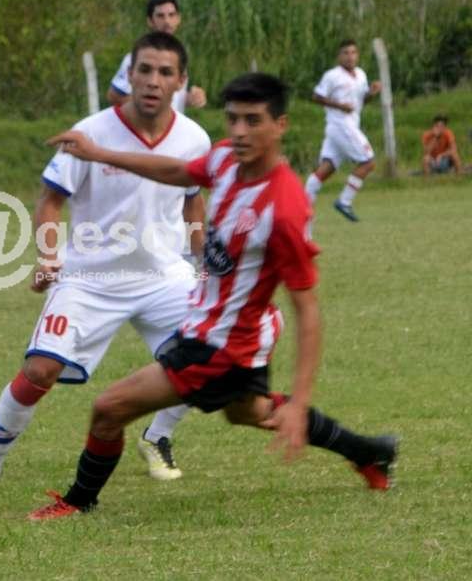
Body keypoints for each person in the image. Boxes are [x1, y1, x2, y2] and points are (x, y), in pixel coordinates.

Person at [28, 72, 398, 521]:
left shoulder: (284, 208)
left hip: (220, 346)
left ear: (280, 125)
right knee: (250, 412)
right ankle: (370, 451)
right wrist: (98, 153)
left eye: (253, 121)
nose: (239, 132)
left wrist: (300, 401)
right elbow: (178, 171)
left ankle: (77, 502)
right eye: (233, 119)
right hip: (216, 331)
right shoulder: (224, 159)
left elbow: (308, 309)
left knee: (109, 409)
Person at [0, 31, 212, 488]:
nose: (153, 80)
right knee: (40, 371)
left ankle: (157, 436)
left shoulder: (195, 139)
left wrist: (203, 262)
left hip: (164, 277)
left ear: (181, 81)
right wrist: (48, 257)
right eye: (144, 70)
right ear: (129, 74)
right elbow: (50, 199)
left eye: (165, 72)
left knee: (211, 360)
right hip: (90, 278)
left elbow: (193, 200)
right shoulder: (91, 132)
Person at [304, 39, 382, 222]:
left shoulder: (361, 74)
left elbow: (361, 101)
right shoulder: (332, 75)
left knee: (326, 168)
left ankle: (302, 205)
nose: (350, 57)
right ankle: (344, 201)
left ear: (358, 55)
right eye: (345, 53)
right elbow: (316, 96)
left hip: (348, 125)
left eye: (353, 52)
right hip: (340, 125)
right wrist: (339, 106)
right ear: (339, 56)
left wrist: (372, 93)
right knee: (368, 162)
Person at [107, 0, 207, 113]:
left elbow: (173, 99)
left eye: (171, 15)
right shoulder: (137, 58)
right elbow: (114, 96)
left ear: (178, 19)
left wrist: (190, 98)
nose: (167, 21)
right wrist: (151, 112)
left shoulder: (178, 57)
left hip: (172, 124)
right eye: (160, 16)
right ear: (150, 21)